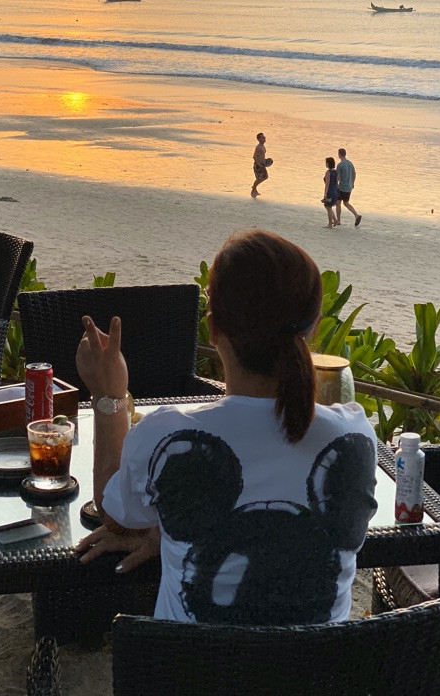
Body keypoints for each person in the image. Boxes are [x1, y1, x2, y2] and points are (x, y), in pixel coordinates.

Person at [75, 229, 377, 626]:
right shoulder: (353, 439)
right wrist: (168, 535)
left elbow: (115, 515)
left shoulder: (165, 435)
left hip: (189, 672)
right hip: (316, 674)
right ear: (314, 327)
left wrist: (110, 397)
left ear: (214, 329)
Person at [336, 148, 362, 227]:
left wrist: (335, 185)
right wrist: (353, 183)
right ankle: (356, 215)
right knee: (346, 203)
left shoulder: (340, 165)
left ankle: (338, 220)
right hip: (349, 187)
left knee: (338, 203)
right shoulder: (350, 163)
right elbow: (354, 173)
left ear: (339, 154)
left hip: (342, 187)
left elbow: (338, 177)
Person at [251, 132, 270, 198]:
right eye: (262, 137)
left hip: (262, 164)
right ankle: (253, 189)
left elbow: (261, 156)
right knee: (260, 178)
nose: (264, 138)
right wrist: (259, 165)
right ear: (259, 139)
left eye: (264, 137)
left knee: (265, 177)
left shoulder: (263, 146)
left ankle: (254, 188)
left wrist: (266, 161)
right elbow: (254, 157)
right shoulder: (258, 147)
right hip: (258, 165)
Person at [322, 156, 339, 228]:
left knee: (328, 206)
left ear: (328, 164)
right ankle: (335, 220)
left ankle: (330, 224)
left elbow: (327, 183)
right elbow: (337, 182)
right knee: (329, 206)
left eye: (326, 163)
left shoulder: (328, 172)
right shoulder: (336, 172)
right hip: (335, 190)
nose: (325, 164)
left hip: (330, 191)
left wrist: (325, 194)